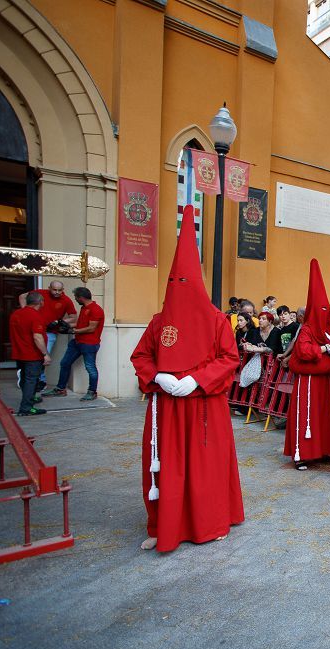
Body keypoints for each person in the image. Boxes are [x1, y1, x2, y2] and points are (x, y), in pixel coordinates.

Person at [130, 205, 244, 552]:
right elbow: (141, 356)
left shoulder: (215, 321)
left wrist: (196, 380)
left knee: (204, 468)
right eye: (173, 281)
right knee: (166, 467)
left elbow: (229, 358)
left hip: (204, 407)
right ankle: (164, 524)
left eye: (184, 281)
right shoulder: (157, 320)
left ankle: (209, 523)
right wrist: (158, 377)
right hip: (165, 407)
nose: (178, 287)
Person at [284, 259, 330, 471]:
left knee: (323, 416)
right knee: (306, 415)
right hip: (307, 382)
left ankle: (322, 450)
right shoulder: (307, 329)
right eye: (321, 309)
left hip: (323, 382)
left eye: (327, 309)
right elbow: (304, 352)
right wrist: (324, 351)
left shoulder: (326, 329)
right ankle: (302, 453)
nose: (324, 312)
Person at [43, 287, 104, 400]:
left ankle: (92, 391)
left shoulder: (96, 309)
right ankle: (61, 389)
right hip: (77, 342)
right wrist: (65, 325)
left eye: (76, 297)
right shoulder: (84, 308)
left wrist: (72, 331)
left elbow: (91, 328)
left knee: (90, 368)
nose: (75, 299)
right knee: (65, 363)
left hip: (89, 344)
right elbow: (81, 324)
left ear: (81, 297)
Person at [19, 280, 78, 388]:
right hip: (33, 329)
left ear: (63, 290)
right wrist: (26, 311)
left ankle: (40, 380)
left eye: (59, 290)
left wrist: (58, 321)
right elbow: (22, 296)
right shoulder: (40, 293)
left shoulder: (66, 300)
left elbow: (74, 317)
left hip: (50, 332)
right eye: (54, 290)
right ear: (49, 288)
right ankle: (26, 376)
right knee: (30, 354)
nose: (57, 292)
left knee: (43, 356)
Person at [10, 291, 50, 416]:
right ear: (40, 302)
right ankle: (26, 407)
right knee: (31, 380)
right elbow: (37, 337)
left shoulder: (16, 314)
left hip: (19, 353)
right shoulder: (35, 316)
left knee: (25, 379)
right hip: (32, 354)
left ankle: (29, 399)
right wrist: (45, 354)